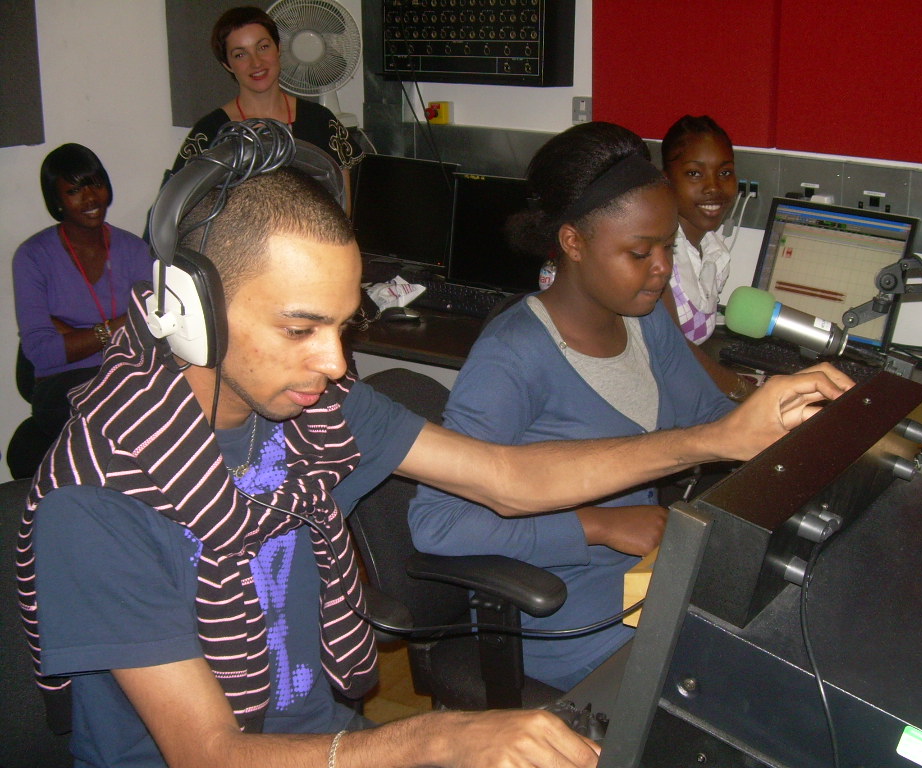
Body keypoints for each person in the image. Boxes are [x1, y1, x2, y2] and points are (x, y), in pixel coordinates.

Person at [17, 127, 850, 768]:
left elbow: (506, 477)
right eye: (301, 328)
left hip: (330, 743)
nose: (335, 363)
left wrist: (715, 437)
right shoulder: (98, 498)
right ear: (192, 313)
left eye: (343, 326)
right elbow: (209, 753)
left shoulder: (315, 413)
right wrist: (438, 738)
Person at [407, 121, 741, 691]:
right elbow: (437, 523)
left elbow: (713, 421)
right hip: (566, 616)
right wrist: (599, 525)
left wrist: (780, 422)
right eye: (640, 252)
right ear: (573, 242)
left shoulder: (645, 320)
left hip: (647, 585)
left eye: (668, 246)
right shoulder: (512, 356)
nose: (662, 268)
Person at [9, 143, 152, 479]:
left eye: (95, 184)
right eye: (74, 191)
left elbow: (152, 331)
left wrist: (73, 335)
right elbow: (41, 352)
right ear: (56, 200)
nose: (90, 198)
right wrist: (117, 326)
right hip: (61, 387)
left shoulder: (134, 250)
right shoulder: (32, 257)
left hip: (126, 375)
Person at [170, 6, 362, 210]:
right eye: (240, 55)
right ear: (227, 64)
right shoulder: (210, 132)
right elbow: (175, 206)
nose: (256, 63)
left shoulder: (320, 121)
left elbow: (345, 208)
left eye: (263, 47)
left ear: (278, 48)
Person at [660, 114, 756, 401]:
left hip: (682, 393)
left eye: (724, 173)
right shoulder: (656, 257)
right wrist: (745, 392)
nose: (714, 187)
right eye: (694, 173)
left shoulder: (715, 252)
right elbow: (672, 351)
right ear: (666, 180)